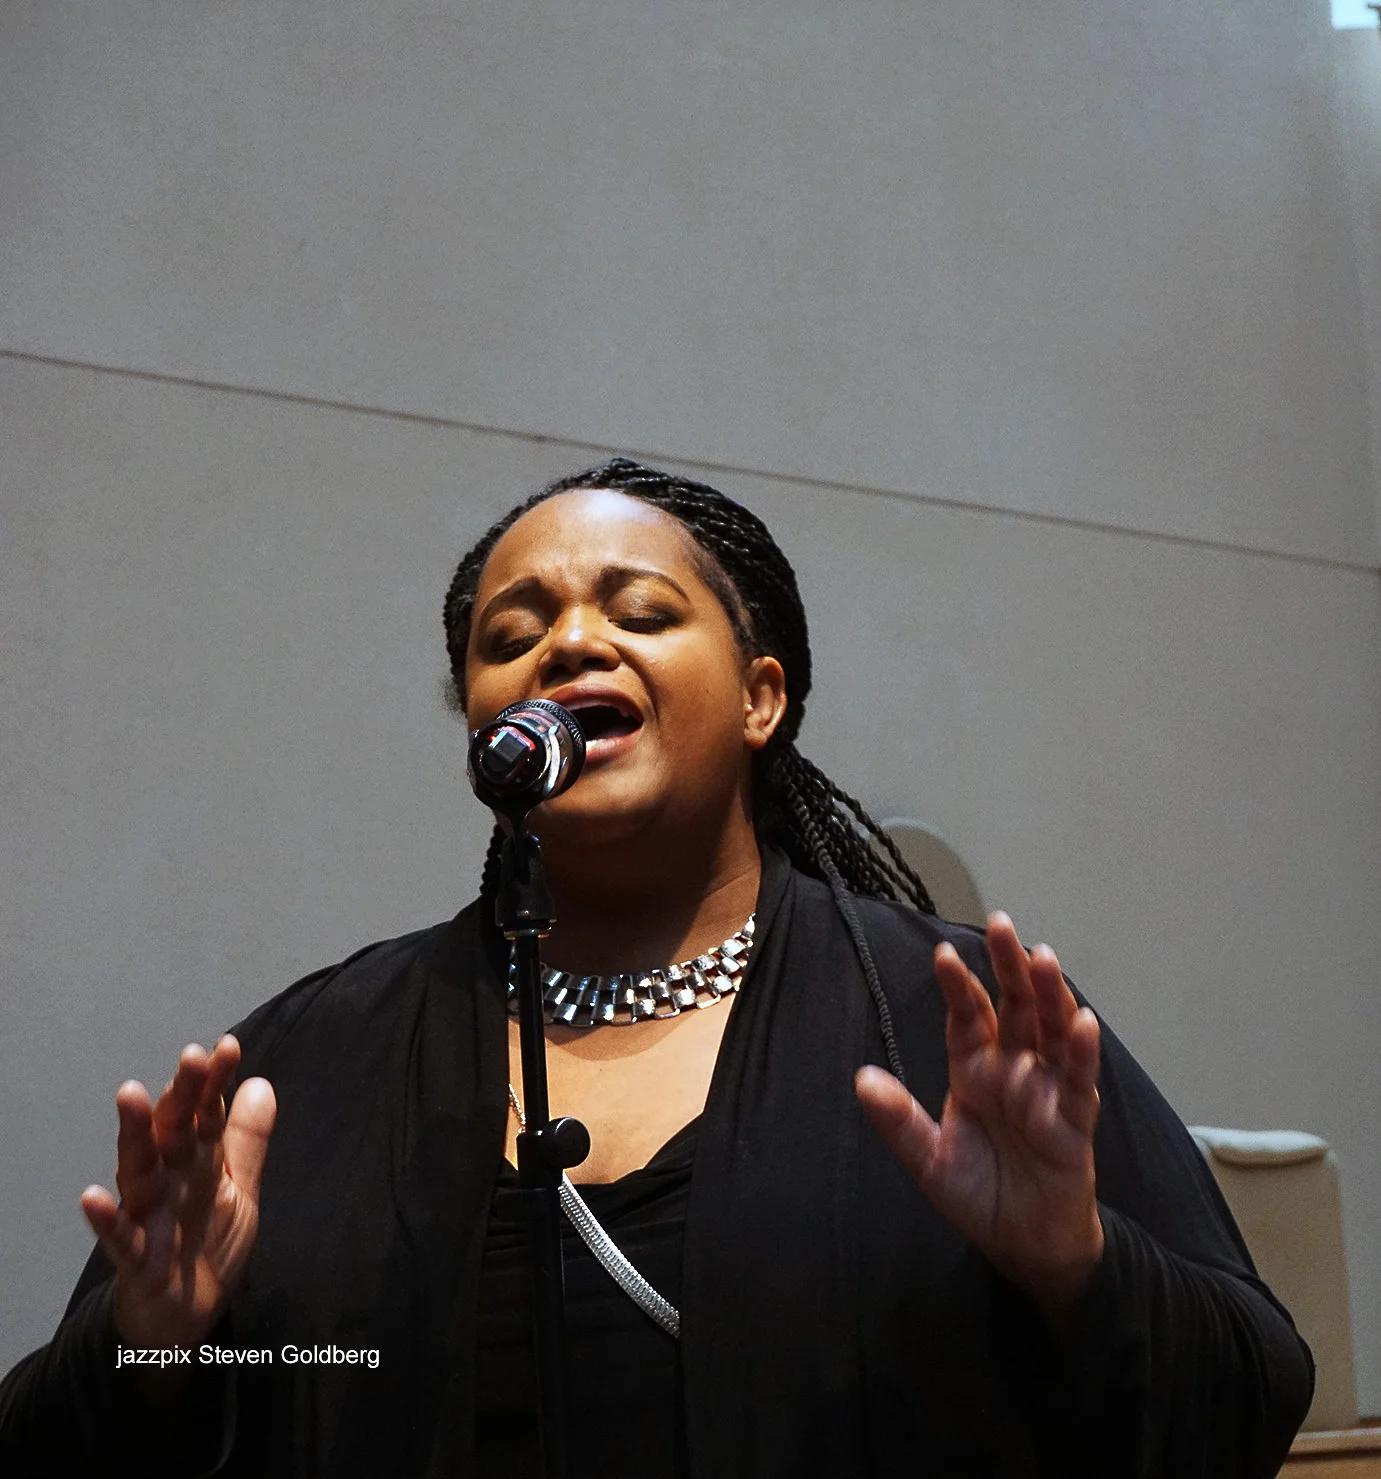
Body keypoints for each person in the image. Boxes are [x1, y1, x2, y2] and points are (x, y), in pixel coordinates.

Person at [0, 458, 1313, 1477]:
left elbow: (1248, 1395)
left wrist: (1068, 1261)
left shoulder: (949, 1018)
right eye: (512, 633)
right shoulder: (314, 1060)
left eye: (637, 610)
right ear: (484, 721)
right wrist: (154, 1344)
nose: (566, 642)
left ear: (760, 697)